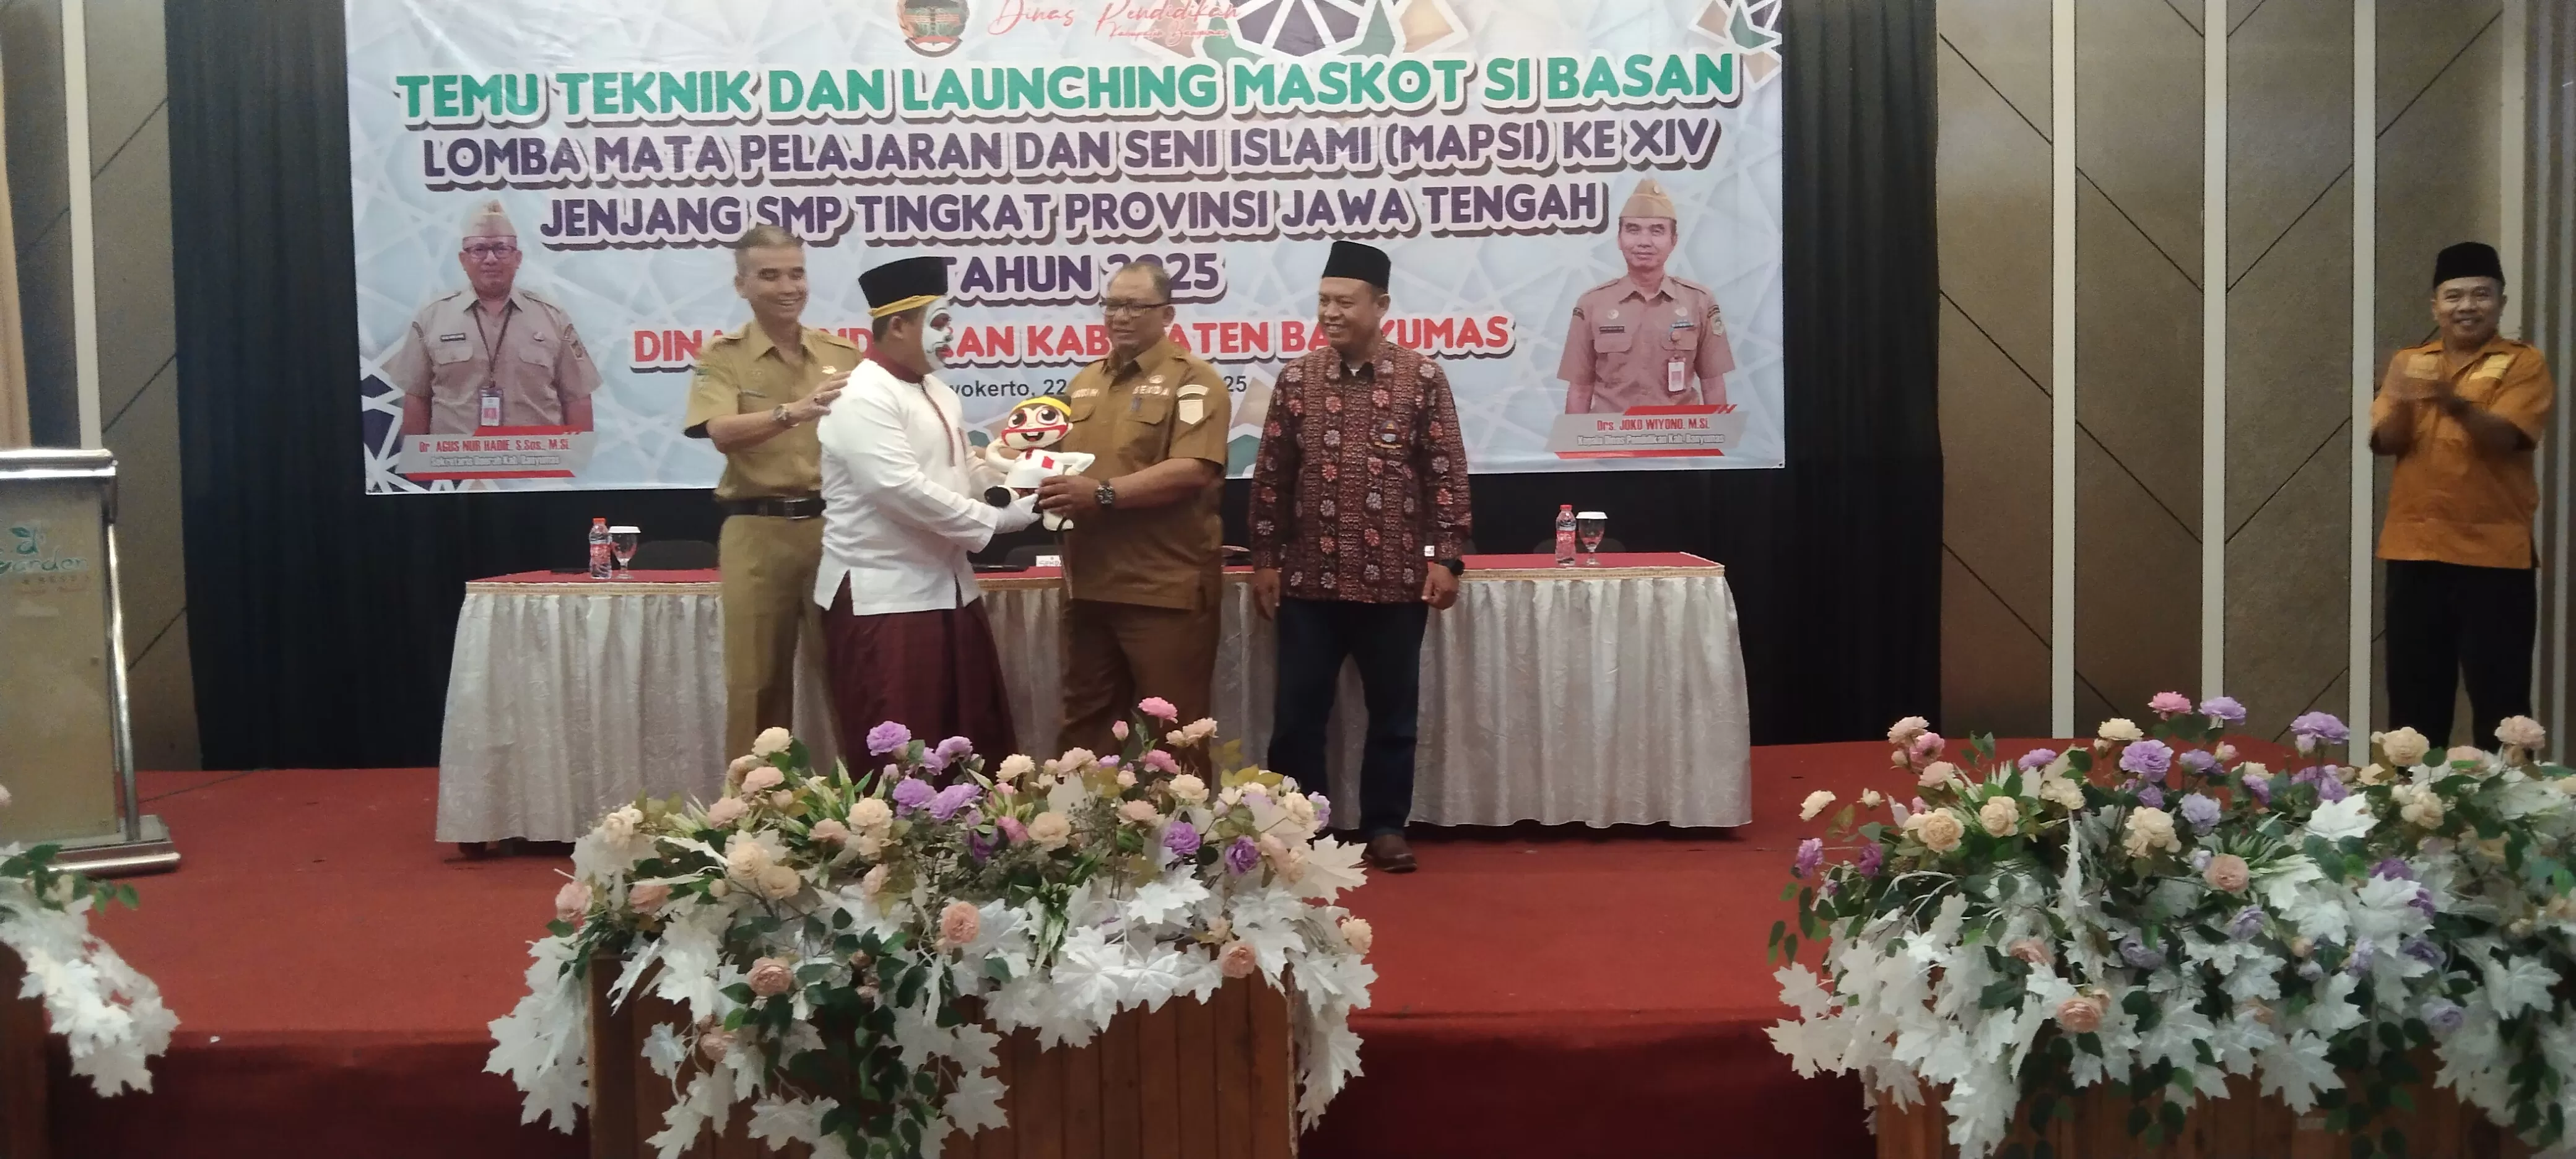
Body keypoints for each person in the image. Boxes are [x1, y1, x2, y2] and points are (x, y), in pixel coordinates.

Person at [1248, 240, 1473, 873]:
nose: (1330, 312)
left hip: (1396, 585)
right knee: (1296, 719)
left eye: (1344, 302)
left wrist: (1447, 557)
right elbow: (1271, 479)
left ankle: (1383, 827)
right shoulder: (1296, 378)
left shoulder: (1421, 377)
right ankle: (1300, 829)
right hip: (1308, 585)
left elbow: (1445, 473)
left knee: (1393, 717)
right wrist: (1265, 558)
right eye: (1322, 300)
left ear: (1380, 306)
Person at [812, 254, 1039, 762]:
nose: (950, 336)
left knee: (968, 750)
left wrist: (1016, 487)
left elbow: (962, 467)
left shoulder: (936, 388)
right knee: (901, 761)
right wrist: (998, 521)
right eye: (939, 323)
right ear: (897, 326)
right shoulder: (861, 395)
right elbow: (899, 489)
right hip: (885, 599)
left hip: (949, 589)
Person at [1034, 262, 1232, 755]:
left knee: (1173, 735)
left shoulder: (1196, 381)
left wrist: (1101, 494)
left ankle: (1181, 836)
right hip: (1089, 588)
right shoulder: (1083, 383)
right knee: (1084, 729)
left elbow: (1193, 469)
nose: (1119, 316)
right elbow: (1055, 461)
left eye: (1134, 306)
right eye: (1112, 304)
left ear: (1166, 314)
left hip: (1162, 590)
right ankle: (1079, 834)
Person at [681, 225, 857, 758]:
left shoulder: (843, 355)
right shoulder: (723, 356)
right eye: (770, 275)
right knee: (757, 685)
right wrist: (794, 411)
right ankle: (755, 816)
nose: (788, 286)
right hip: (756, 532)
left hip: (838, 532)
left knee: (854, 677)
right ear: (742, 285)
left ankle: (878, 815)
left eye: (796, 272)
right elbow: (719, 432)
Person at [2371, 241, 2556, 746]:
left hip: (2494, 556)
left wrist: (2452, 403)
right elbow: (2385, 443)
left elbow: (2508, 437)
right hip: (2414, 551)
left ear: (2501, 301)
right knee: (2413, 703)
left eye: (2481, 294)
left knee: (2502, 704)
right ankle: (2407, 815)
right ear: (2435, 305)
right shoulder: (2410, 362)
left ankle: (2503, 818)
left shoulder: (2524, 363)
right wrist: (2407, 402)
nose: (2467, 306)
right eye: (2454, 296)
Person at [386, 199, 601, 436]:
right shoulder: (432, 318)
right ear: (463, 260)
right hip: (457, 466)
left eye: (501, 249)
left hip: (535, 465)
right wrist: (422, 466)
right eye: (479, 250)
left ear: (518, 258)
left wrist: (575, 463)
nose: (490, 259)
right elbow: (417, 398)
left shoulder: (552, 317)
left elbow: (577, 398)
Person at [1557, 178, 1735, 414]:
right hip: (1612, 442)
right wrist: (1577, 448)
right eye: (1633, 230)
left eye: (1657, 231)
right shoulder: (1591, 305)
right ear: (1619, 240)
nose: (1644, 242)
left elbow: (1713, 384)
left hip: (1679, 441)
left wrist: (1714, 444)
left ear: (1674, 241)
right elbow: (1580, 388)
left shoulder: (1700, 302)